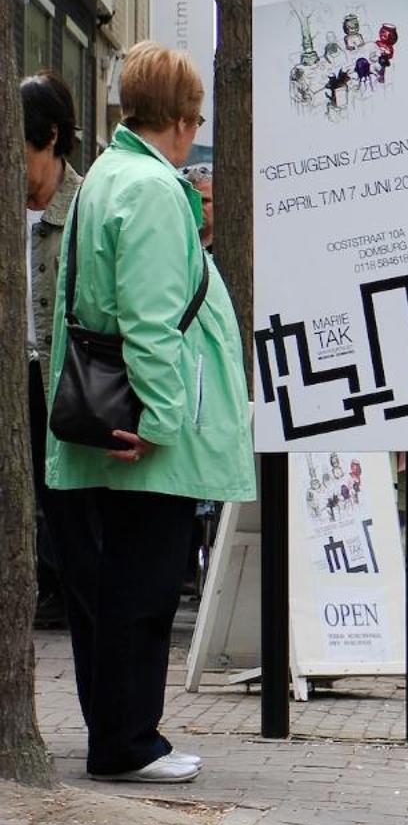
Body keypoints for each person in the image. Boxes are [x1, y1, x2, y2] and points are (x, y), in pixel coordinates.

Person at [42, 43, 254, 783]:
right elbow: (153, 323)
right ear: (186, 118)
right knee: (145, 586)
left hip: (100, 413)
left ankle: (118, 737)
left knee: (110, 592)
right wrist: (164, 423)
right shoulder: (156, 190)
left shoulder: (105, 175)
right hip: (143, 431)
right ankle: (130, 744)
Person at [24, 72, 83, 629]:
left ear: (49, 138)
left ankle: (64, 588)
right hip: (16, 368)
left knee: (59, 489)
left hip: (61, 372)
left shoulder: (86, 204)